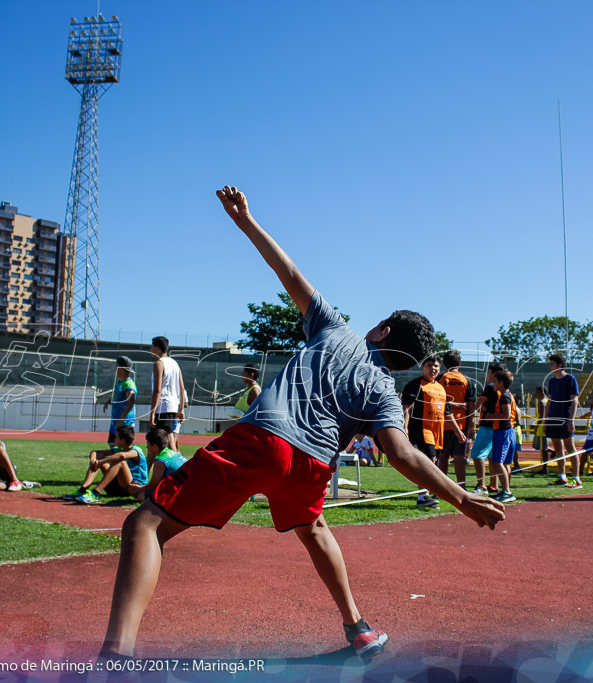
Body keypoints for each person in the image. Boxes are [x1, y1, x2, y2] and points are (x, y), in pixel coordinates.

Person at [97, 186, 504, 665]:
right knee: (313, 528)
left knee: (144, 525)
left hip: (263, 438)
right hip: (310, 466)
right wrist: (462, 499)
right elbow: (403, 454)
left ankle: (116, 656)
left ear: (382, 331)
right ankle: (359, 629)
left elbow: (286, 271)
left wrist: (245, 220)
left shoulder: (336, 329)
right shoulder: (386, 393)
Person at [402, 353, 466, 508]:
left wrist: (459, 432)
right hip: (421, 430)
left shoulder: (440, 388)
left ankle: (428, 494)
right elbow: (406, 409)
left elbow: (447, 414)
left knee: (434, 462)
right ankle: (423, 496)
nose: (433, 369)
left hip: (438, 433)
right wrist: (404, 427)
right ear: (423, 367)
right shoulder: (415, 385)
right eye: (429, 365)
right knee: (428, 460)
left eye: (436, 366)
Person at [63, 425, 148, 504]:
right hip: (119, 486)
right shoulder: (119, 448)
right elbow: (96, 452)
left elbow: (122, 456)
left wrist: (101, 462)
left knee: (120, 462)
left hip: (133, 487)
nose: (114, 439)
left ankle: (95, 493)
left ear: (122, 441)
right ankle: (83, 489)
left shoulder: (136, 450)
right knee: (99, 457)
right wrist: (94, 460)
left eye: (116, 437)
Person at [437, 350, 476, 489]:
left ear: (444, 364)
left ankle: (442, 487)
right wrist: (471, 425)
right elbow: (471, 404)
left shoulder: (440, 378)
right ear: (459, 364)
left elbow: (438, 400)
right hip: (461, 423)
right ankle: (461, 486)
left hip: (442, 423)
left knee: (442, 456)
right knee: (459, 456)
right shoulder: (467, 380)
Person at [545, 353, 581, 489]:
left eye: (552, 364)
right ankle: (562, 476)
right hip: (553, 418)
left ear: (560, 365)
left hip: (564, 418)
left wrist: (571, 420)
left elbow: (574, 400)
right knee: (558, 448)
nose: (550, 366)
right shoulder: (552, 381)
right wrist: (546, 419)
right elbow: (549, 400)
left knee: (570, 448)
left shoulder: (570, 379)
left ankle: (576, 478)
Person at [470, 363, 506, 494]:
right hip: (498, 427)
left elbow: (477, 405)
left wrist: (464, 406)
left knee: (477, 454)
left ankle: (481, 485)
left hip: (487, 426)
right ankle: (493, 485)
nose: (487, 375)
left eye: (488, 372)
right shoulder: (504, 389)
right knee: (492, 457)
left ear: (494, 374)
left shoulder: (490, 388)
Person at [482, 370, 517, 503]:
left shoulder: (505, 396)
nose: (493, 383)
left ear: (501, 383)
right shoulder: (506, 395)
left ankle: (506, 491)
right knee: (505, 462)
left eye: (496, 381)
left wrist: (491, 416)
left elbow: (506, 415)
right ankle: (505, 490)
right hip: (507, 432)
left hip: (503, 431)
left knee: (498, 462)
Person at [130, 429, 188, 503]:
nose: (146, 447)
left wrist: (137, 489)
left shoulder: (161, 461)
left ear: (154, 447)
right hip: (189, 487)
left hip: (182, 493)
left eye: (147, 443)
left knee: (141, 495)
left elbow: (153, 486)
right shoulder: (171, 452)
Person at [150, 337, 186, 451]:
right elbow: (182, 388)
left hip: (163, 407)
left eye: (152, 347)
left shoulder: (159, 363)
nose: (150, 349)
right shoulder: (174, 363)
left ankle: (178, 467)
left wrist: (152, 412)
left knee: (168, 442)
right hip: (172, 406)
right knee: (154, 442)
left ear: (157, 348)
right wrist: (181, 410)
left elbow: (157, 390)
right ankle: (146, 468)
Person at [104, 356, 138, 447]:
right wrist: (108, 402)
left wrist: (122, 419)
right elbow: (117, 395)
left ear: (123, 369)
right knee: (112, 444)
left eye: (117, 366)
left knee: (122, 446)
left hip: (124, 421)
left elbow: (131, 401)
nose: (115, 369)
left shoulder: (128, 384)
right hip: (116, 419)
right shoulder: (120, 382)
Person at [531, 386, 551, 474]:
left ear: (542, 393)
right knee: (541, 446)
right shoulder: (547, 401)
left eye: (537, 392)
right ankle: (545, 465)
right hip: (545, 427)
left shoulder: (542, 402)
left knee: (543, 449)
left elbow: (541, 417)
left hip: (542, 428)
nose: (535, 394)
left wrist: (536, 427)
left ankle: (545, 467)